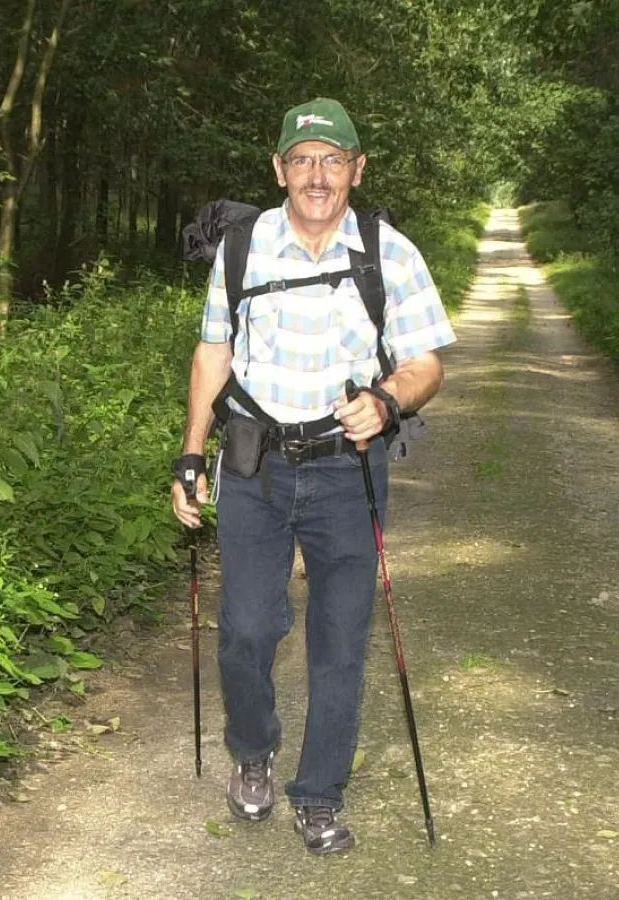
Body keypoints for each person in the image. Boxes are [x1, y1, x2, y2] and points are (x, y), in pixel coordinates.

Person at [170, 97, 456, 855]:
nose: (317, 175)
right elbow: (212, 353)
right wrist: (191, 453)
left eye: (333, 160)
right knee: (247, 629)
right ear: (279, 169)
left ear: (357, 170)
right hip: (253, 464)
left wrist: (388, 400)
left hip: (345, 471)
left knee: (339, 641)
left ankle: (320, 793)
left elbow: (427, 362)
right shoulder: (243, 246)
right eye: (302, 160)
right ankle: (253, 749)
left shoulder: (388, 252)